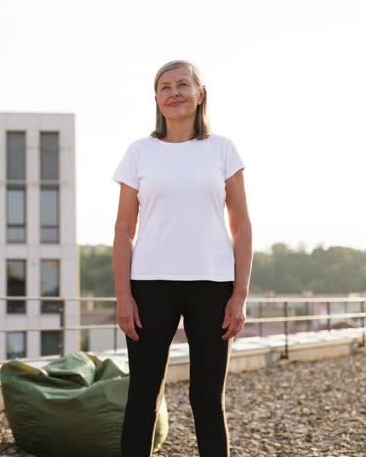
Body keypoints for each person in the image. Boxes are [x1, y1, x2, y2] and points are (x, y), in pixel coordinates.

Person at [112, 60, 252, 457]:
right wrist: (123, 295)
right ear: (156, 98)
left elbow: (241, 225)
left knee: (207, 399)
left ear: (200, 93)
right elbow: (124, 229)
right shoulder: (139, 152)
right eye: (164, 87)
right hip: (149, 287)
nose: (174, 93)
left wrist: (240, 294)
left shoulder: (223, 149)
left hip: (213, 285)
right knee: (142, 398)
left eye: (182, 85)